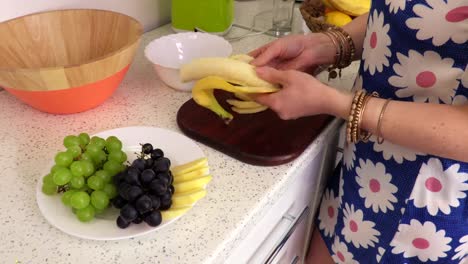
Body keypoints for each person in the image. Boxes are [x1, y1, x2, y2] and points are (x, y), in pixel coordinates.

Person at [249, 0, 468, 263]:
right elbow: (403, 14)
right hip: (362, 169)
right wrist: (326, 45)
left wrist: (337, 103)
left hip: (423, 210)